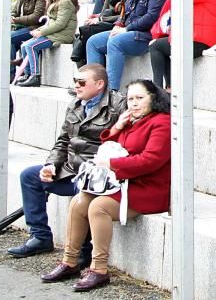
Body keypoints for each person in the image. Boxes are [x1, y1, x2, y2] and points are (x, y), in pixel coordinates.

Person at [41, 80, 170, 292]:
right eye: (130, 99)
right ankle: (69, 261)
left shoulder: (162, 122)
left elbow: (151, 160)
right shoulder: (131, 120)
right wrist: (118, 126)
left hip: (149, 188)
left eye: (140, 98)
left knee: (98, 206)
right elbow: (109, 146)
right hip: (122, 184)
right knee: (79, 202)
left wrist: (112, 164)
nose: (134, 104)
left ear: (153, 98)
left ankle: (99, 269)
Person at [8, 64, 125, 261]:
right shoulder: (75, 104)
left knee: (85, 193)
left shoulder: (118, 105)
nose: (77, 86)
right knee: (30, 176)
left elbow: (122, 143)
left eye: (81, 82)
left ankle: (83, 250)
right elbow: (63, 140)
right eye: (75, 82)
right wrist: (51, 164)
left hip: (97, 174)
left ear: (99, 84)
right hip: (70, 169)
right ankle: (40, 236)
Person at [85, 0, 168, 91]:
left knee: (115, 42)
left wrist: (126, 29)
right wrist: (119, 24)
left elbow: (151, 17)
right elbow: (125, 12)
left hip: (146, 35)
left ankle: (112, 92)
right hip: (130, 31)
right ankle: (94, 89)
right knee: (93, 42)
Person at [14, 0, 79, 88]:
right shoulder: (55, 2)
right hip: (53, 33)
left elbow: (60, 24)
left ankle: (35, 76)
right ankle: (28, 74)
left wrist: (42, 32)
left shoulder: (65, 2)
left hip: (62, 35)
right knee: (24, 45)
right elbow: (51, 22)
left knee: (31, 46)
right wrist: (38, 30)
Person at [71, 0, 132, 68]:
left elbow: (126, 16)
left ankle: (89, 72)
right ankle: (86, 71)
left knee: (86, 32)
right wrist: (100, 17)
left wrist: (101, 18)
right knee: (81, 34)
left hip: (120, 25)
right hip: (108, 22)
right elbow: (104, 12)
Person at [11, 0, 48, 67]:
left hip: (35, 27)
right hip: (21, 27)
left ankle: (10, 72)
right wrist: (12, 17)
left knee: (8, 38)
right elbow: (15, 11)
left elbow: (36, 17)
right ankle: (4, 71)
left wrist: (15, 20)